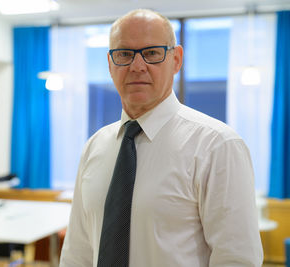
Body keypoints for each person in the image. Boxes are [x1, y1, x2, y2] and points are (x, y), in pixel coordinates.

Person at [60, 8, 263, 267]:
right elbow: (78, 253)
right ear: (110, 64)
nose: (136, 66)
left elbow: (237, 260)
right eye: (124, 54)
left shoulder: (217, 146)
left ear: (176, 60)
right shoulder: (94, 147)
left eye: (151, 53)